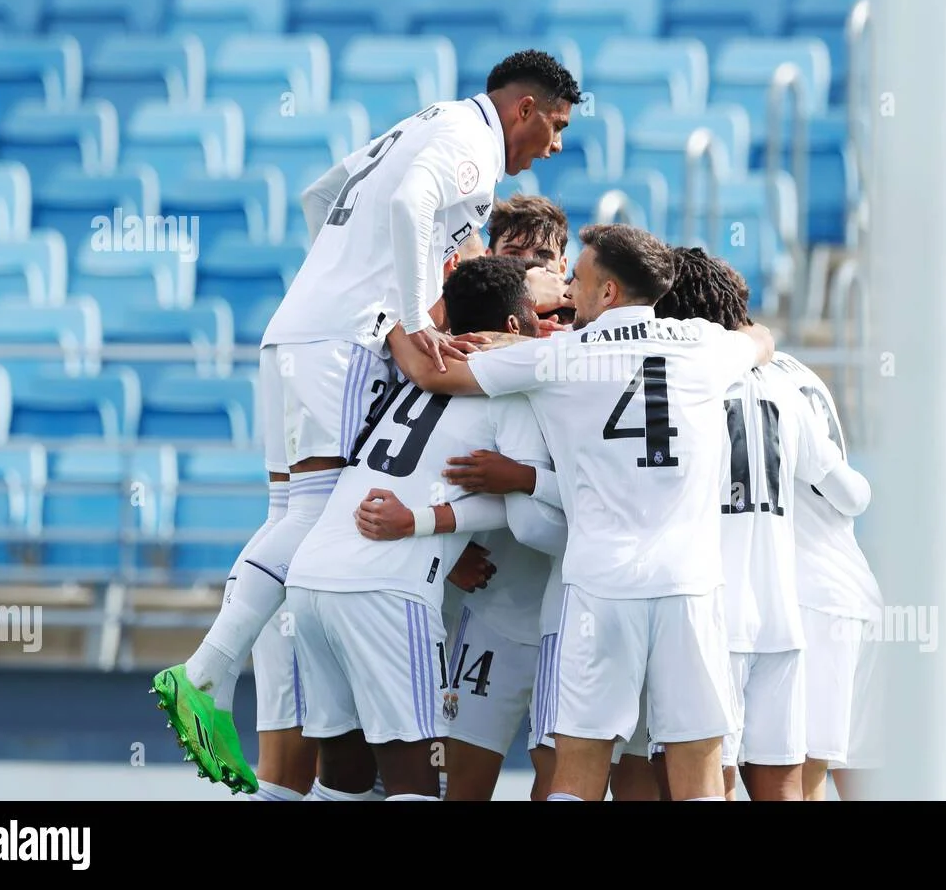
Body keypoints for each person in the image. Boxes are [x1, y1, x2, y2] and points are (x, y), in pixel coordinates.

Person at [149, 49, 582, 795]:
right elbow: (411, 203)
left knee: (289, 509)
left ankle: (214, 676)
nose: (556, 145)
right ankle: (205, 673)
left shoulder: (424, 124)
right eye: (558, 126)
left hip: (294, 330)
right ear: (526, 108)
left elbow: (324, 197)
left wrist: (343, 279)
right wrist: (409, 316)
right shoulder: (471, 145)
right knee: (317, 512)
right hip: (347, 342)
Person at [386, 223, 776, 801]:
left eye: (577, 278)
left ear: (610, 292)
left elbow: (428, 372)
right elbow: (760, 337)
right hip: (689, 591)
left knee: (579, 768)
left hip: (598, 592)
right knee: (698, 770)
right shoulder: (703, 346)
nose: (567, 289)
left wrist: (389, 314)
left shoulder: (558, 357)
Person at [283, 256, 562, 799]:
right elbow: (534, 526)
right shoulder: (509, 390)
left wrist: (432, 517)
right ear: (514, 324)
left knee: (343, 778)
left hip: (312, 580)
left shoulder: (418, 373)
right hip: (388, 590)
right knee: (417, 781)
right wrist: (526, 487)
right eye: (536, 313)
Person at [651, 248, 844, 801]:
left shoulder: (687, 385)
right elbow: (831, 482)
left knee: (708, 783)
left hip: (711, 614)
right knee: (782, 783)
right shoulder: (786, 384)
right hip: (780, 612)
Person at [768, 350, 883, 801]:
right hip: (855, 588)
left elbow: (851, 493)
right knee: (858, 768)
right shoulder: (797, 367)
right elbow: (853, 494)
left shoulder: (746, 378)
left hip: (810, 595)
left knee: (802, 767)